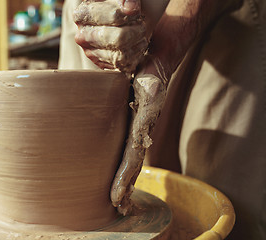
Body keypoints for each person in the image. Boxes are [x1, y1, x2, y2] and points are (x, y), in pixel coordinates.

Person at [59, 0, 266, 239]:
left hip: (219, 15)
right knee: (91, 176)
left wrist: (162, 57)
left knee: (216, 196)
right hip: (91, 10)